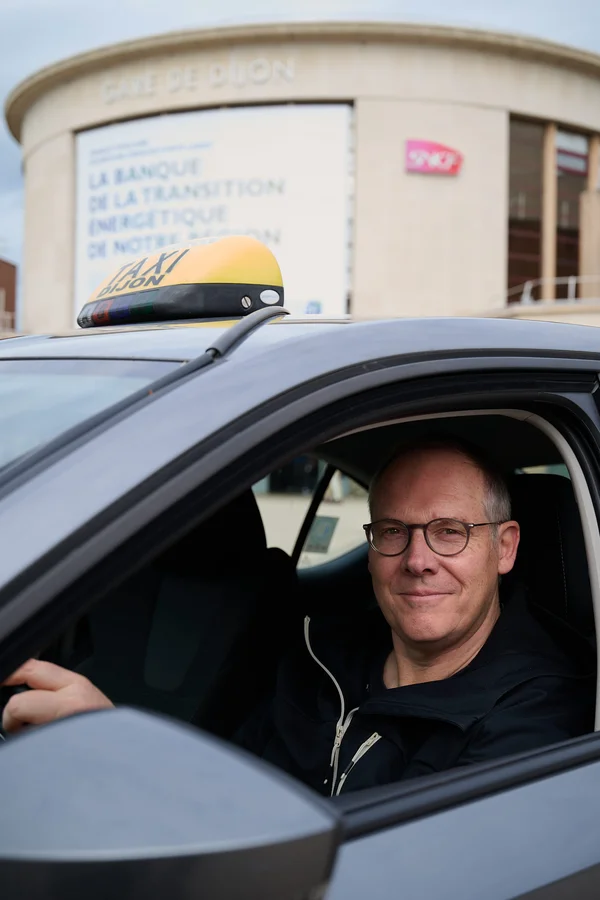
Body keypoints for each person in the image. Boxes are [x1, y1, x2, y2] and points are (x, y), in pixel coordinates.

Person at [1, 438, 595, 796]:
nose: (417, 561)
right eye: (392, 532)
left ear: (506, 547)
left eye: (449, 532)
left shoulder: (539, 717)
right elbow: (231, 784)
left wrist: (126, 760)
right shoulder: (322, 653)